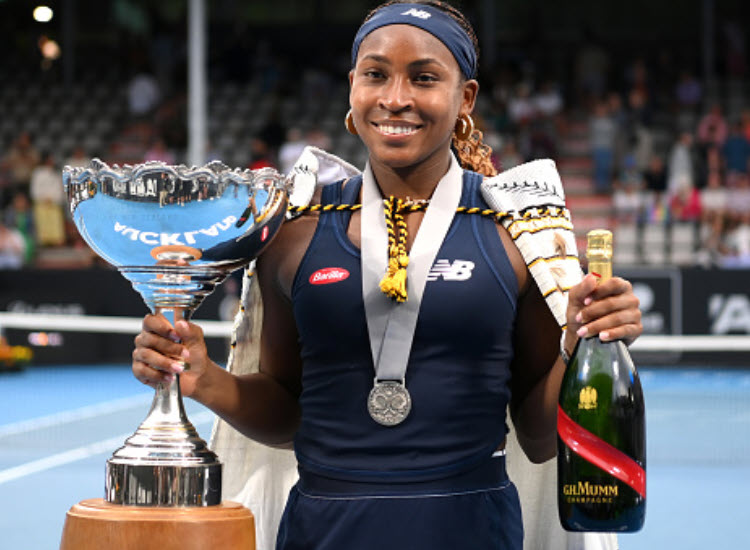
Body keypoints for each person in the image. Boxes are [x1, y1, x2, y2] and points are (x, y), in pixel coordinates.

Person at [132, 2, 642, 549]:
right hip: (323, 530)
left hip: (472, 532)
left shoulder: (514, 234)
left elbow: (541, 441)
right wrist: (206, 379)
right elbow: (288, 413)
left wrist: (578, 346)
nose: (395, 98)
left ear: (464, 97)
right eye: (376, 74)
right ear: (353, 87)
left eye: (424, 78)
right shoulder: (294, 232)